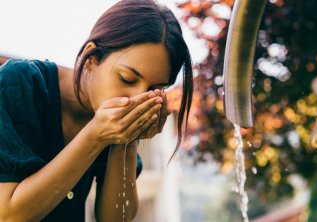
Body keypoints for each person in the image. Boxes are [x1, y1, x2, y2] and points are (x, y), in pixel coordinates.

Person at [0, 0, 193, 221]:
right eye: (127, 78)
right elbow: (9, 215)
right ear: (90, 59)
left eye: (153, 89)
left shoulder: (114, 119)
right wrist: (94, 136)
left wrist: (127, 141)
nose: (136, 100)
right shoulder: (21, 85)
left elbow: (116, 218)